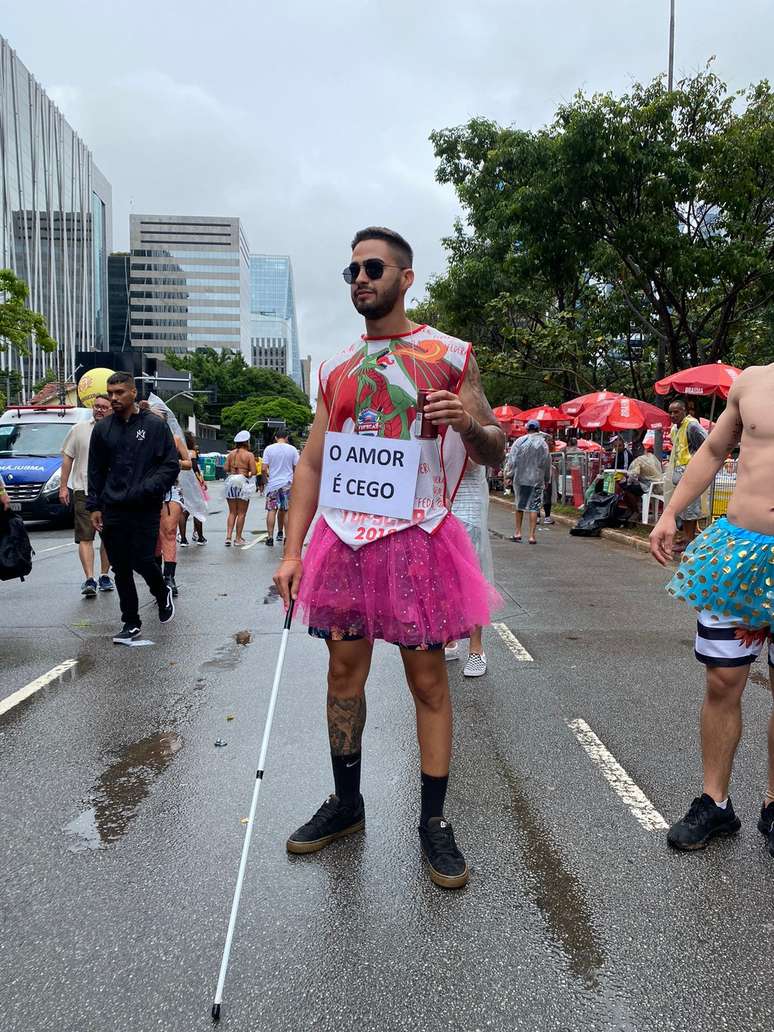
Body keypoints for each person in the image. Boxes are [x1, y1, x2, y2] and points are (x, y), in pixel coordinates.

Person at [274, 226, 504, 890]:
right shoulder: (336, 368)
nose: (360, 280)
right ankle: (347, 804)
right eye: (351, 272)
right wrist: (293, 552)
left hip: (416, 540)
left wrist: (463, 423)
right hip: (344, 543)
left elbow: (493, 443)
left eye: (373, 268)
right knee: (342, 678)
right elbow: (314, 461)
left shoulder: (449, 356)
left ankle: (433, 822)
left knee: (428, 683)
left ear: (406, 277)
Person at [650, 364, 774, 855]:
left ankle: (773, 804)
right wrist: (669, 511)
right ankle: (715, 802)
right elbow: (714, 449)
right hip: (739, 557)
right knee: (722, 680)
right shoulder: (752, 382)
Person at [86, 372, 179, 643]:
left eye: (119, 392)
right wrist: (94, 505)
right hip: (112, 506)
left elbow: (170, 465)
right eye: (110, 392)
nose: (114, 398)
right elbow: (95, 470)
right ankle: (131, 622)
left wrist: (149, 488)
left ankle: (162, 593)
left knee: (142, 560)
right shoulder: (102, 429)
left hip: (145, 506)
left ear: (133, 393)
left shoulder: (154, 426)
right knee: (120, 566)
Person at [59, 394, 113, 597]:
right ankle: (89, 579)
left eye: (104, 407)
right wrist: (64, 487)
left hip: (110, 492)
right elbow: (67, 459)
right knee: (85, 536)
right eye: (96, 406)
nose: (99, 410)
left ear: (110, 409)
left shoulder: (116, 429)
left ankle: (104, 575)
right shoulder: (79, 429)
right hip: (83, 489)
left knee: (108, 535)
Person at [446, 460, 494, 676]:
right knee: (443, 581)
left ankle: (476, 649)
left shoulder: (473, 425)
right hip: (436, 507)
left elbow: (478, 457)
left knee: (470, 580)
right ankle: (448, 640)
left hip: (467, 507)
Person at [150, 405, 191, 598]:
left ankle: (169, 577)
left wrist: (174, 461)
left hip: (171, 490)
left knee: (169, 531)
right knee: (154, 536)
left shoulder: (175, 440)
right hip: (149, 492)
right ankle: (157, 576)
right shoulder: (143, 440)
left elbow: (189, 463)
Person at [667, 398, 708, 551]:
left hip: (691, 474)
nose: (673, 415)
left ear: (684, 411)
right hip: (679, 474)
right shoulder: (675, 428)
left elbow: (706, 444)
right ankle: (686, 538)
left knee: (690, 508)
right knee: (683, 508)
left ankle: (689, 541)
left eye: (676, 412)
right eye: (670, 412)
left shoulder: (692, 426)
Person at [508, 420, 550, 544]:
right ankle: (531, 536)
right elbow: (547, 463)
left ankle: (518, 532)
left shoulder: (519, 441)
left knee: (520, 505)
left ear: (527, 429)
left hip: (520, 479)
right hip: (536, 479)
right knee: (534, 507)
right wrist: (546, 479)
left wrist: (509, 475)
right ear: (538, 429)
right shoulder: (543, 444)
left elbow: (512, 459)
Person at [262, 430, 299, 546]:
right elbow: (296, 468)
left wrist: (265, 481)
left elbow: (263, 469)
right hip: (287, 484)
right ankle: (287, 537)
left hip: (273, 484)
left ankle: (269, 537)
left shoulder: (268, 449)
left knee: (272, 510)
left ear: (275, 437)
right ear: (287, 437)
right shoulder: (293, 450)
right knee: (286, 511)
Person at [224, 430, 257, 546]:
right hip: (242, 481)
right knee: (241, 513)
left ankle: (228, 537)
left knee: (232, 512)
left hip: (231, 482)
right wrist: (246, 472)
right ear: (246, 442)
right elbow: (254, 471)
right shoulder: (249, 455)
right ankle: (238, 538)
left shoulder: (231, 454)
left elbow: (225, 468)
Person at [178, 432, 207, 545]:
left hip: (181, 482)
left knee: (184, 510)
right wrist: (201, 481)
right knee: (197, 509)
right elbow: (195, 469)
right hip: (192, 483)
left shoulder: (178, 451)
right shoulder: (191, 452)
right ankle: (200, 536)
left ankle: (183, 539)